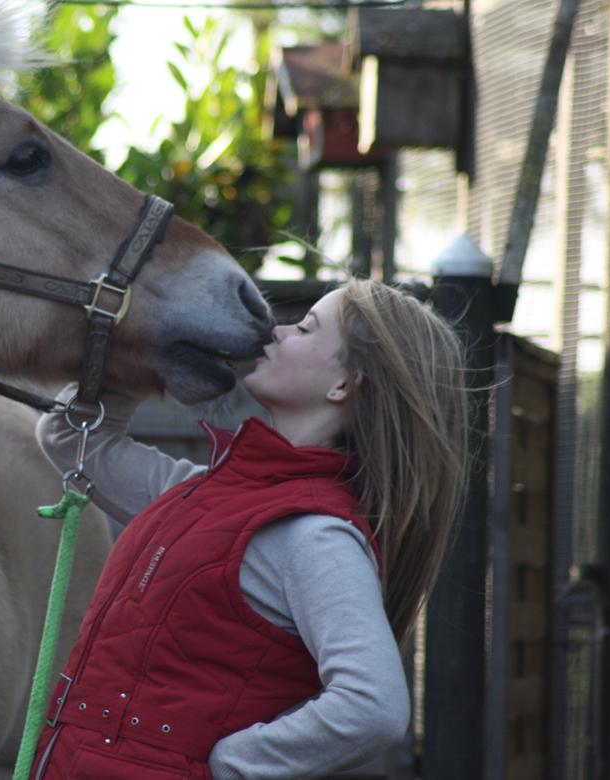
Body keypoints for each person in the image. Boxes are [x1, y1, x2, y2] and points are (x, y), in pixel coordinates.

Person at [29, 279, 470, 780]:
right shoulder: (198, 492)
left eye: (305, 328)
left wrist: (232, 766)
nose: (277, 332)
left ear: (343, 385)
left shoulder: (314, 536)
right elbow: (71, 437)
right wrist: (143, 347)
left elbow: (375, 706)